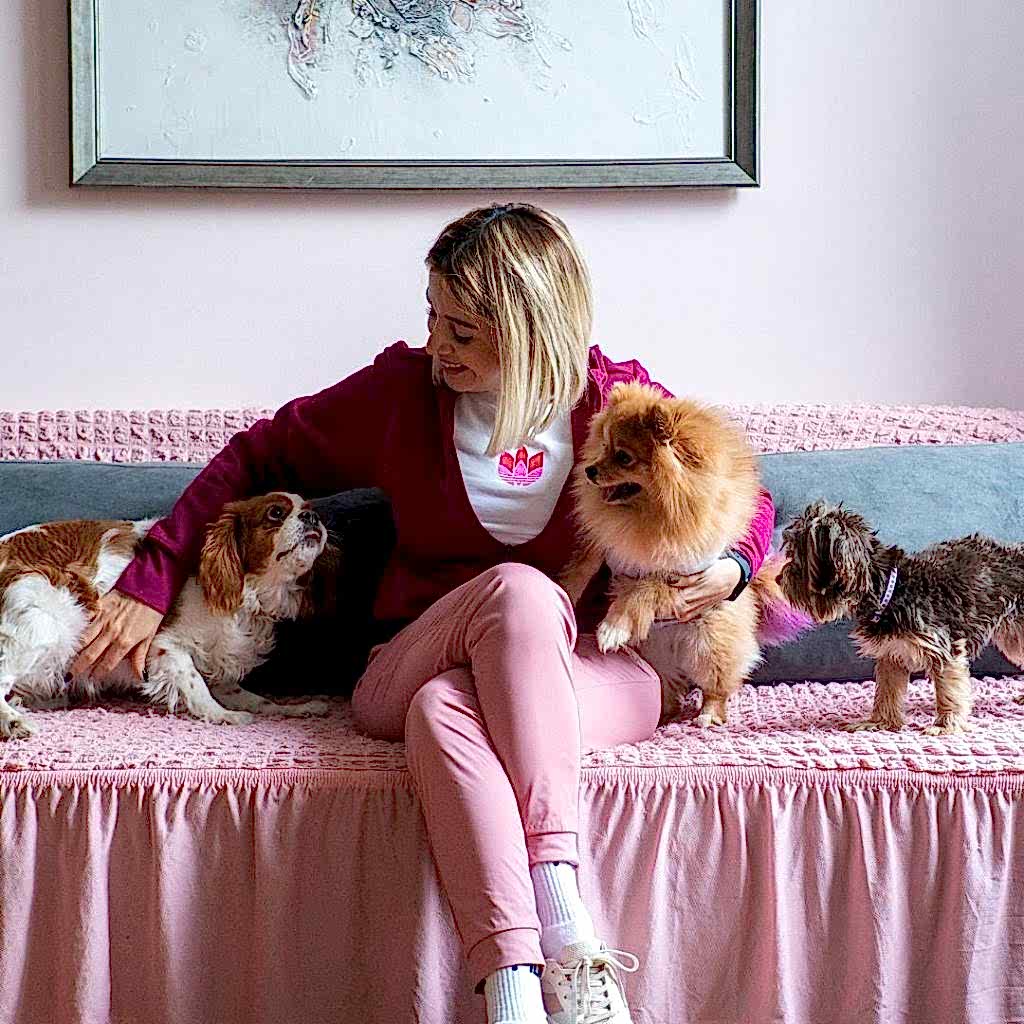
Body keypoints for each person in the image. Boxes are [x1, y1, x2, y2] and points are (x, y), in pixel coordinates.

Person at [71, 203, 774, 1024]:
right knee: (520, 593)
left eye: (462, 330)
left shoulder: (615, 404)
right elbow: (256, 454)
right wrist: (152, 576)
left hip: (583, 673)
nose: (437, 344)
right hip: (408, 662)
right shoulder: (402, 395)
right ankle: (569, 923)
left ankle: (514, 993)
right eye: (433, 317)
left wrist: (733, 566)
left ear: (530, 328)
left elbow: (742, 491)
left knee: (450, 710)